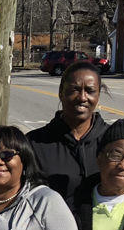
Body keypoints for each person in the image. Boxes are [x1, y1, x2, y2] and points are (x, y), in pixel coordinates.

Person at [28, 61, 110, 207]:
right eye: (74, 89)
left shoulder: (112, 140)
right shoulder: (34, 143)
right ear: (61, 92)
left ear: (98, 95)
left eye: (90, 91)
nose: (82, 97)